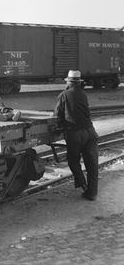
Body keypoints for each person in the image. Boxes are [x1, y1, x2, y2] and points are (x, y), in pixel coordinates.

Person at [54, 70, 98, 201]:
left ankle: (83, 185)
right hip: (90, 132)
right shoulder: (83, 94)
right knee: (92, 164)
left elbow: (57, 116)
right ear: (78, 83)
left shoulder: (64, 95)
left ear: (68, 82)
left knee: (73, 161)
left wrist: (59, 127)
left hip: (75, 134)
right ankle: (92, 193)